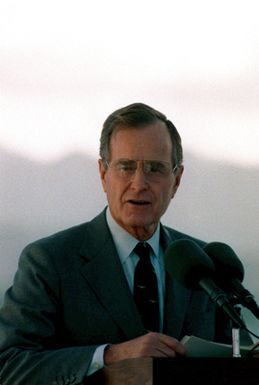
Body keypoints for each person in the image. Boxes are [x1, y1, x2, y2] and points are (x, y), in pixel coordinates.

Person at [0, 103, 244, 384]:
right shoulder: (49, 261)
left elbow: (241, 360)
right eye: (126, 167)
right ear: (103, 174)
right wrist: (109, 356)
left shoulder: (203, 264)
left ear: (176, 180)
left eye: (155, 168)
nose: (139, 183)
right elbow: (10, 366)